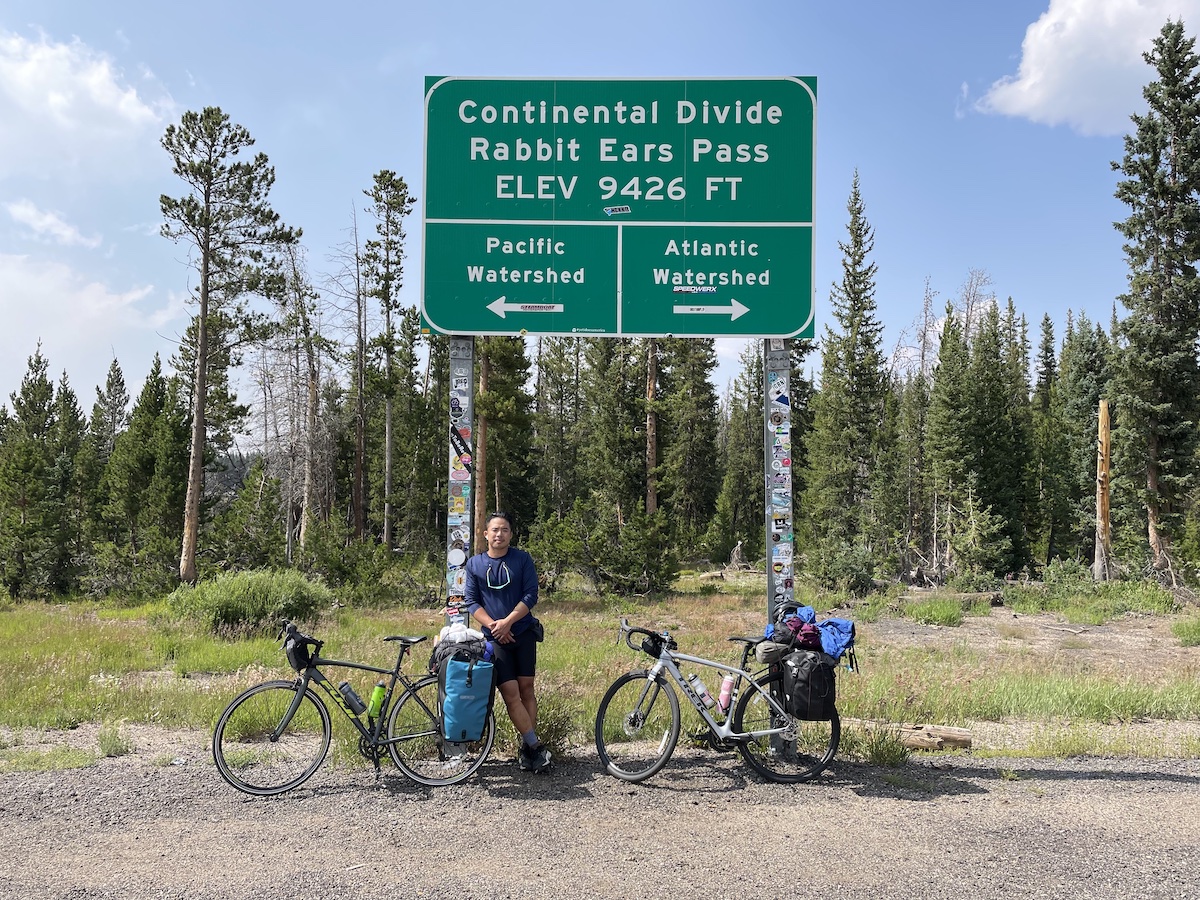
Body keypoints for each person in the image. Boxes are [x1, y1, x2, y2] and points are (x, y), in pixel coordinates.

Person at [463, 511, 550, 774]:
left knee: (527, 689)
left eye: (505, 530)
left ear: (510, 534)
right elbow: (471, 601)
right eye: (495, 530)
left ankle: (526, 751)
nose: (499, 535)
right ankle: (535, 747)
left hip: (522, 632)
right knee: (510, 693)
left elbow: (530, 594)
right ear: (485, 534)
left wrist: (509, 622)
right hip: (494, 640)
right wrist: (494, 625)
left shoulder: (522, 559)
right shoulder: (474, 565)